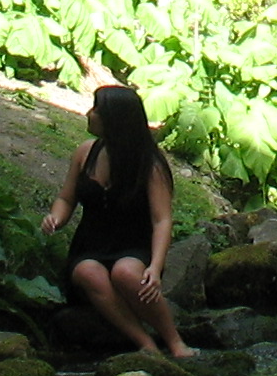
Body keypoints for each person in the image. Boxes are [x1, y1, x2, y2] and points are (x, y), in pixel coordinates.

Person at [42, 83, 190, 359]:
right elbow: (66, 198)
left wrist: (155, 267)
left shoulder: (149, 164)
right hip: (90, 246)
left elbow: (161, 220)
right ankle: (145, 343)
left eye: (96, 110)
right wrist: (56, 218)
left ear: (115, 119)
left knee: (126, 273)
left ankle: (175, 342)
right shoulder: (85, 153)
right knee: (88, 271)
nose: (89, 114)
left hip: (133, 246)